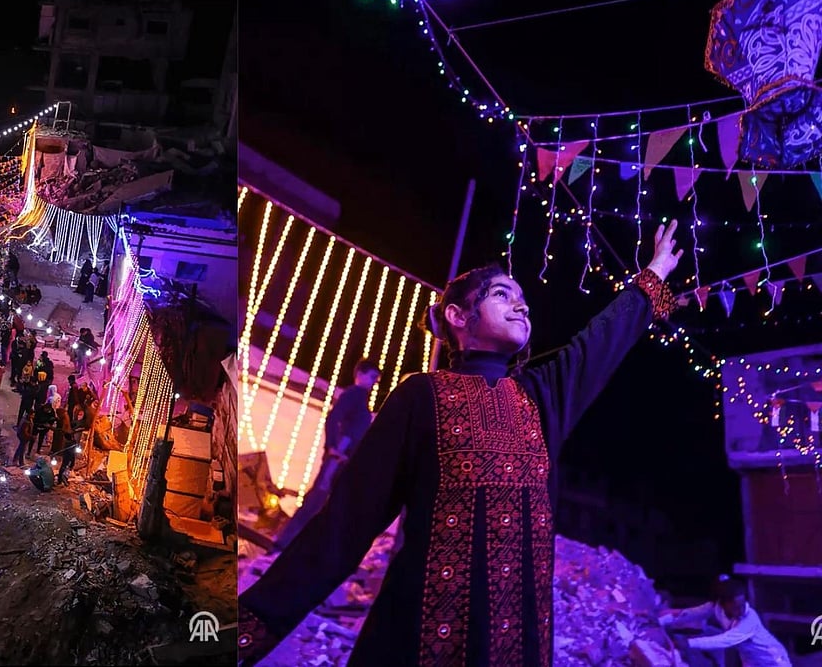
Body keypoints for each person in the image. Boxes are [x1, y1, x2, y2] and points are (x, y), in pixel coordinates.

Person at [238, 221, 684, 667]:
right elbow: (344, 526)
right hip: (417, 641)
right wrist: (246, 628)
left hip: (517, 649)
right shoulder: (419, 396)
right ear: (457, 316)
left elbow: (599, 343)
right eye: (502, 295)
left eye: (523, 300)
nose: (522, 306)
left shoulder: (540, 397)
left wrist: (653, 277)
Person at [273, 358, 381, 551]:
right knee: (317, 498)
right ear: (361, 374)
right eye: (373, 376)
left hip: (344, 457)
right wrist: (333, 446)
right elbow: (334, 418)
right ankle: (286, 542)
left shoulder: (360, 398)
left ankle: (301, 543)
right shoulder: (354, 394)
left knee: (326, 501)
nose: (375, 382)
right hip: (339, 456)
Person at [660, 575, 791, 667]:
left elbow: (724, 640)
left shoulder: (750, 619)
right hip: (750, 661)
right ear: (723, 603)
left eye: (742, 604)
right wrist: (662, 621)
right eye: (735, 606)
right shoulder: (715, 607)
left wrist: (688, 643)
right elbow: (691, 613)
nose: (740, 609)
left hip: (773, 661)